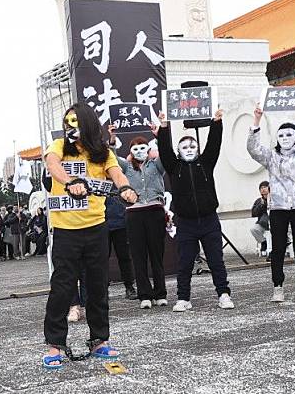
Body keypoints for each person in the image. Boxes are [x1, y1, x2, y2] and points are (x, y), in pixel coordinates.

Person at [42, 102, 137, 369]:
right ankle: (55, 344)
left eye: (76, 122)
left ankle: (99, 340)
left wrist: (126, 188)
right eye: (68, 123)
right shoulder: (59, 147)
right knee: (62, 288)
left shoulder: (101, 152)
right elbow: (52, 164)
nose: (72, 127)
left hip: (96, 227)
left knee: (97, 286)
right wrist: (69, 182)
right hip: (65, 230)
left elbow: (116, 173)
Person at [157, 109, 235, 312]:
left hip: (209, 220)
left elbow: (214, 144)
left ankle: (224, 294)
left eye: (193, 146)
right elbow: (164, 150)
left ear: (198, 149)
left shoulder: (206, 163)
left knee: (216, 259)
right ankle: (183, 298)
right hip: (185, 222)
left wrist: (216, 122)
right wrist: (164, 126)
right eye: (184, 147)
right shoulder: (174, 167)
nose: (189, 149)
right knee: (184, 263)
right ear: (178, 150)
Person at [247, 103, 295, 302]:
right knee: (278, 248)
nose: (285, 139)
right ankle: (278, 286)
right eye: (281, 136)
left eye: (289, 135)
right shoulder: (272, 157)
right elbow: (253, 149)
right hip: (279, 208)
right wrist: (256, 121)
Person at [110, 128, 165, 308]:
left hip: (155, 210)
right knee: (138, 255)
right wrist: (112, 139)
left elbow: (167, 155)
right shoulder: (126, 167)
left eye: (143, 148)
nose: (140, 152)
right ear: (130, 151)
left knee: (156, 255)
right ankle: (145, 295)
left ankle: (160, 293)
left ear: (148, 150)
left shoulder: (156, 165)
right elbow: (111, 159)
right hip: (134, 213)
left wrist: (160, 135)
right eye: (135, 148)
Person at [250, 181, 270, 255]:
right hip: (262, 223)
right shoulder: (259, 201)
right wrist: (261, 205)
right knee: (254, 229)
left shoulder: (274, 199)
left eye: (265, 187)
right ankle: (263, 242)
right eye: (261, 188)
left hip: (275, 222)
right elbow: (254, 213)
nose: (263, 189)